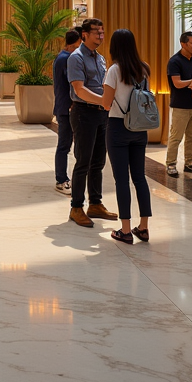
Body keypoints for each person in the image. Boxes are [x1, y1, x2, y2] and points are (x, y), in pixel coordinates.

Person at [99, 29, 153, 244]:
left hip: (118, 127)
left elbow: (106, 103)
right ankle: (144, 228)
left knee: (122, 179)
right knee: (140, 177)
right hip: (140, 128)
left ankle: (125, 230)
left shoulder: (114, 70)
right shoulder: (144, 68)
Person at [66, 18, 118, 227]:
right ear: (84, 35)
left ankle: (95, 204)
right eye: (96, 32)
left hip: (101, 114)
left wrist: (106, 103)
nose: (101, 36)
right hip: (83, 113)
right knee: (83, 162)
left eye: (102, 32)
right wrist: (104, 101)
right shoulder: (75, 58)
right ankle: (76, 207)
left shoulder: (101, 58)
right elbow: (79, 89)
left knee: (98, 162)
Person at [166, 31, 192, 176]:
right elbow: (177, 83)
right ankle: (171, 164)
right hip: (180, 105)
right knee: (176, 136)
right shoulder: (175, 61)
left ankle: (189, 162)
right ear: (183, 44)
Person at [52, 29, 82, 195]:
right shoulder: (67, 59)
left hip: (64, 107)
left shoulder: (61, 57)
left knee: (65, 144)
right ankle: (61, 179)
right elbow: (73, 85)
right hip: (66, 109)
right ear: (74, 43)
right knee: (64, 145)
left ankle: (64, 178)